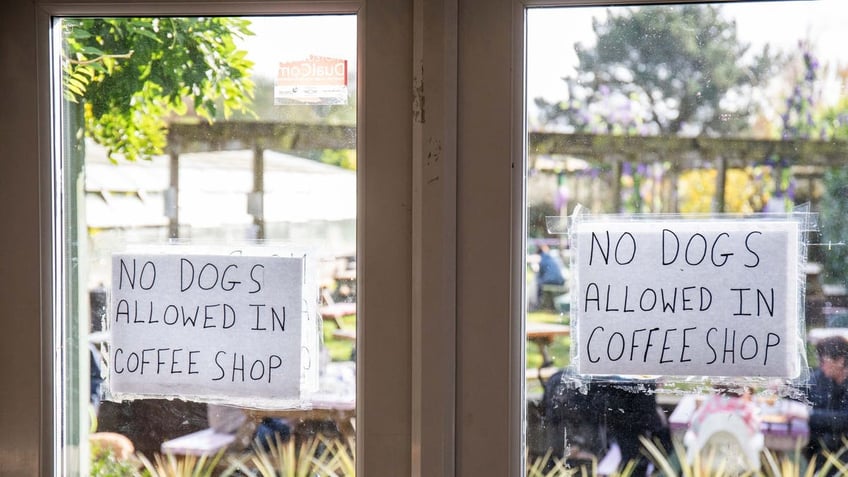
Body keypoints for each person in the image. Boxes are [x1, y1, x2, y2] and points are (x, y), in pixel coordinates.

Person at [801, 335, 848, 470]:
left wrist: (808, 415)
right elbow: (805, 387)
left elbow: (843, 420)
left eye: (823, 361)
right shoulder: (826, 378)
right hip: (827, 450)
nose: (821, 365)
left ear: (840, 361)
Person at [536, 243, 565, 308]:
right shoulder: (552, 257)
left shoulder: (543, 259)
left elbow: (540, 274)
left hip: (552, 281)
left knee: (538, 283)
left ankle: (539, 304)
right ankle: (547, 304)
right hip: (560, 281)